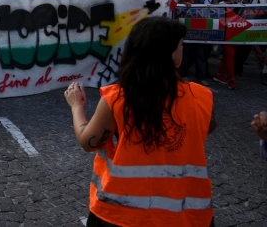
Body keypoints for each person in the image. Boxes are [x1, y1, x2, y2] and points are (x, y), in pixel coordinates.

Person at [64, 17, 216, 227]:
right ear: (170, 54)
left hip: (120, 214)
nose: (183, 49)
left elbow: (88, 141)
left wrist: (76, 106)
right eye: (181, 45)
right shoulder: (201, 96)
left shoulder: (118, 98)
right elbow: (204, 129)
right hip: (187, 215)